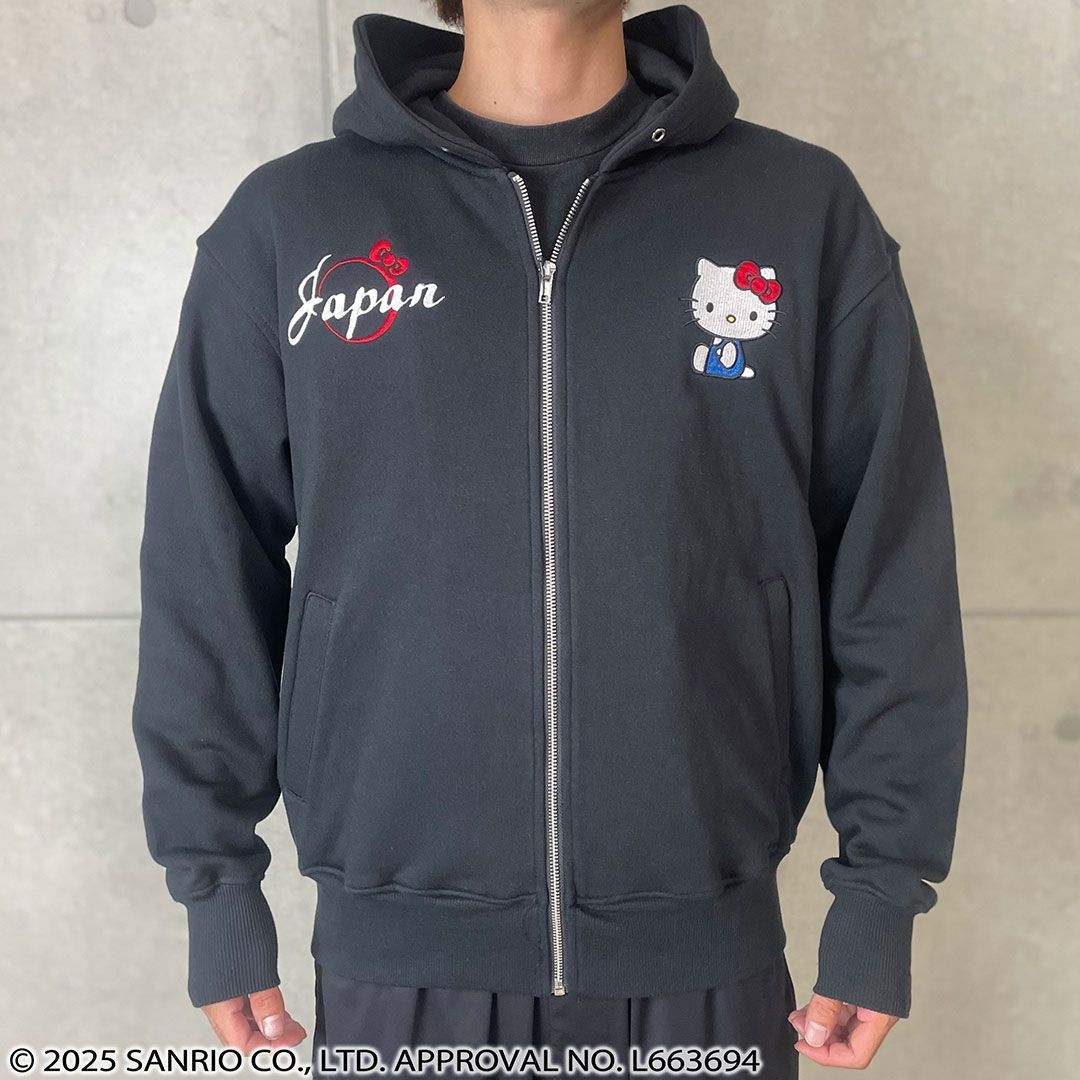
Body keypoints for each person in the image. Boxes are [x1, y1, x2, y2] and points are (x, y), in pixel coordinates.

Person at [132, 0, 968, 1075]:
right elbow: (207, 568)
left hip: (700, 954)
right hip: (403, 963)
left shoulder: (797, 212)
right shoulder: (296, 220)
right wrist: (213, 883)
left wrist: (881, 893)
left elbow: (889, 573)